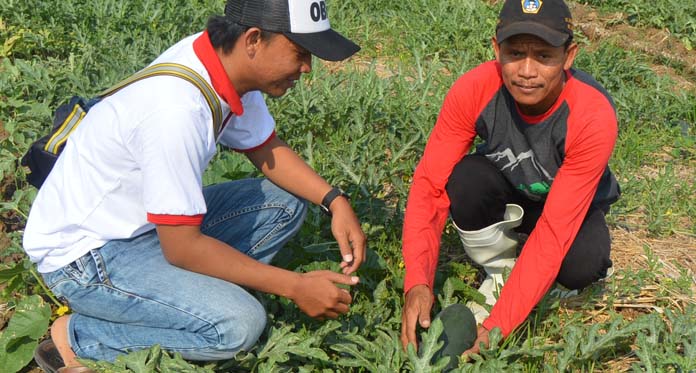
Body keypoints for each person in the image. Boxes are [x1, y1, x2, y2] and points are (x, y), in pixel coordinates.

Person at [24, 0, 366, 371]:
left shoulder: (222, 61)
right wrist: (295, 286)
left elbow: (264, 146)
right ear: (253, 39)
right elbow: (183, 249)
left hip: (143, 227)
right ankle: (80, 338)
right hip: (87, 257)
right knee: (238, 325)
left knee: (287, 202)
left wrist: (335, 201)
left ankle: (185, 302)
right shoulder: (175, 111)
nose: (306, 68)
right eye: (300, 53)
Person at [400, 0, 620, 358]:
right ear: (495, 50)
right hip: (509, 190)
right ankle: (500, 269)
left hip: (567, 207)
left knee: (584, 265)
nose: (526, 71)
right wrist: (418, 282)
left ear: (569, 56)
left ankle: (527, 282)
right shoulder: (475, 88)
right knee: (465, 179)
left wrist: (496, 325)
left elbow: (554, 230)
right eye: (515, 53)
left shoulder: (591, 116)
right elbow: (430, 186)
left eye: (545, 56)